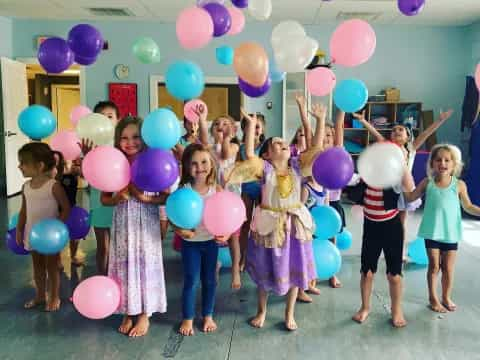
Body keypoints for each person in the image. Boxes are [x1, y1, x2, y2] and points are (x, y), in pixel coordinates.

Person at [101, 116, 168, 337]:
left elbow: (165, 197)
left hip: (146, 220)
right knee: (124, 264)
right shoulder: (114, 162)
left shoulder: (152, 161)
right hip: (123, 222)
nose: (130, 142)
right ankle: (128, 309)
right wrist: (117, 197)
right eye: (124, 138)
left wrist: (145, 198)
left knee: (144, 263)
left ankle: (144, 313)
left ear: (145, 137)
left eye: (136, 137)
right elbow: (104, 199)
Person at [404, 144, 480, 313]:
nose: (442, 163)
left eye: (447, 160)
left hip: (450, 233)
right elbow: (410, 197)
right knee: (434, 266)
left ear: (454, 165)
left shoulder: (459, 185)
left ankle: (446, 296)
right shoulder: (427, 183)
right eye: (438, 159)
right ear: (432, 164)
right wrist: (399, 185)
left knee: (448, 268)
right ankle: (433, 298)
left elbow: (468, 206)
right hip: (432, 232)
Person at [16, 142, 70, 311]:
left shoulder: (53, 186)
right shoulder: (25, 187)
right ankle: (40, 295)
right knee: (37, 266)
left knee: (52, 267)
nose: (19, 166)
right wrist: (19, 229)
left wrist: (56, 230)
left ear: (39, 166)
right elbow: (23, 211)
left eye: (23, 163)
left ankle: (54, 297)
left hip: (50, 239)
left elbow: (66, 208)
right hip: (32, 234)